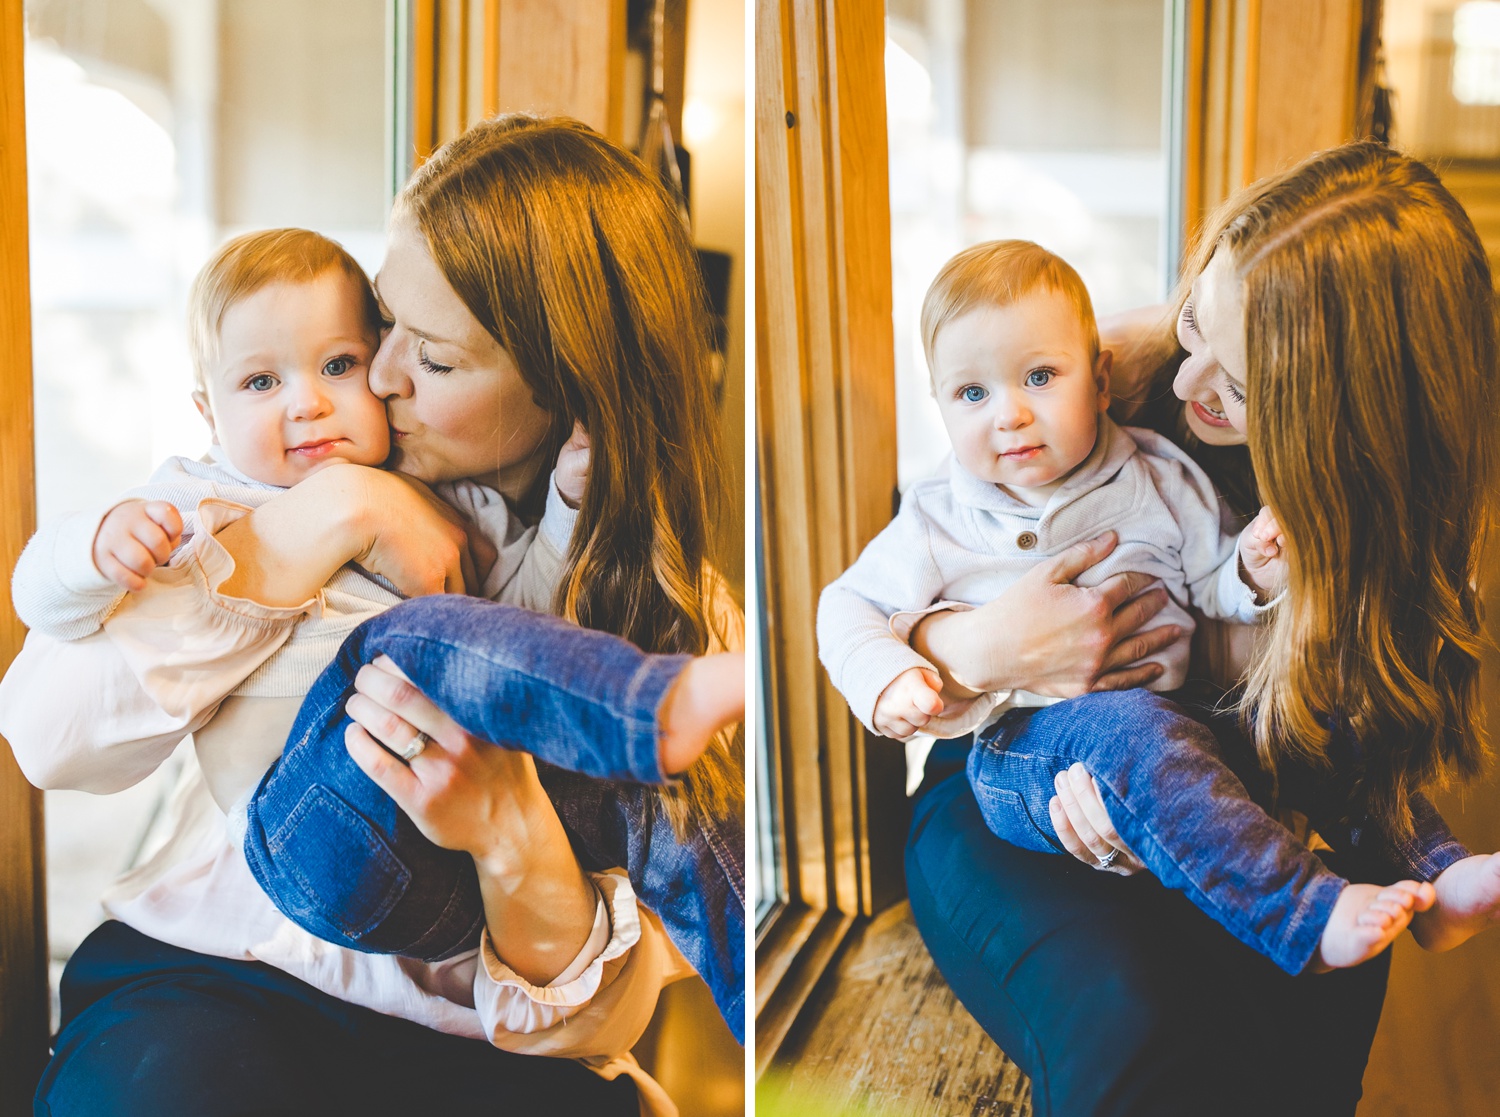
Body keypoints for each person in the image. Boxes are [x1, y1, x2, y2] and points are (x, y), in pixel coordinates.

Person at [0, 114, 742, 1116]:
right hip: (224, 966)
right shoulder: (302, 474)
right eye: (384, 323)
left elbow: (607, 1017)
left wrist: (507, 829)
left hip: (476, 1041)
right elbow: (48, 739)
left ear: (564, 385)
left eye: (430, 358)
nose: (377, 376)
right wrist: (332, 516)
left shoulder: (688, 615)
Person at [901, 142, 1498, 1116]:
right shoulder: (1115, 377)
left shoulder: (1402, 532)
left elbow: (1341, 748)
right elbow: (919, 578)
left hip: (1232, 790)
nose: (1188, 385)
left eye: (1237, 386)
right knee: (1140, 1028)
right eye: (1195, 323)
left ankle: (1431, 871)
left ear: (1342, 418)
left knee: (1311, 1008)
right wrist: (993, 647)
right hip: (1016, 767)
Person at [819, 236, 1442, 974]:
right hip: (1023, 750)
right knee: (1139, 736)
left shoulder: (1156, 472)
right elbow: (845, 603)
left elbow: (1212, 582)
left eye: (1040, 377)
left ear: (1101, 378)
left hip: (1181, 712)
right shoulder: (938, 514)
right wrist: (885, 677)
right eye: (972, 394)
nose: (1009, 415)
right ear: (941, 405)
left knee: (1315, 712)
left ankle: (1435, 865)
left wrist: (1251, 566)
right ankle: (1300, 911)